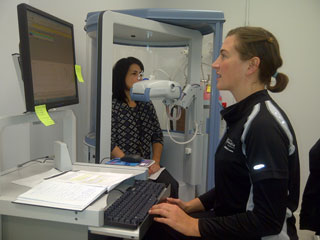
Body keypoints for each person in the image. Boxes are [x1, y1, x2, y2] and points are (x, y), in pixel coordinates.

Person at [145, 26, 300, 240]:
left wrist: (193, 226)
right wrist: (191, 206)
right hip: (233, 221)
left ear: (251, 65)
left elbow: (268, 220)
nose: (215, 63)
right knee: (157, 223)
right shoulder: (243, 116)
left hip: (258, 234)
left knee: (159, 233)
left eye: (224, 56)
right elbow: (239, 183)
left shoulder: (263, 127)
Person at [111, 56, 179, 198]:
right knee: (143, 196)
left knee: (171, 185)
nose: (139, 78)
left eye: (140, 74)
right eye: (134, 74)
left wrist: (155, 162)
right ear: (121, 76)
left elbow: (157, 136)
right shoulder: (113, 106)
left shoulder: (146, 104)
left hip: (147, 166)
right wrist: (131, 166)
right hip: (123, 167)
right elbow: (110, 143)